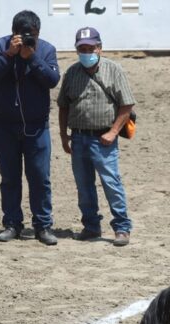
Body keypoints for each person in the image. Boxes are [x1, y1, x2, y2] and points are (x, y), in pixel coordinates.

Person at [0, 10, 60, 245]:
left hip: (36, 127)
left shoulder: (46, 49)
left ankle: (43, 226)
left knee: (40, 178)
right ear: (13, 32)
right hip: (3, 126)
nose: (28, 38)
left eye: (33, 35)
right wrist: (9, 54)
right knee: (9, 178)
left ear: (38, 33)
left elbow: (52, 80)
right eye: (24, 34)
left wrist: (32, 58)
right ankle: (12, 224)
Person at [57, 27, 135, 247]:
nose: (86, 52)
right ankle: (91, 226)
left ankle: (122, 227)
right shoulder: (71, 73)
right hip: (78, 137)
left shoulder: (114, 70)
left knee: (111, 183)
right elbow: (63, 106)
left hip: (103, 139)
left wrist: (113, 132)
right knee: (84, 186)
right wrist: (64, 136)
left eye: (90, 48)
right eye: (82, 48)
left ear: (99, 48)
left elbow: (127, 104)